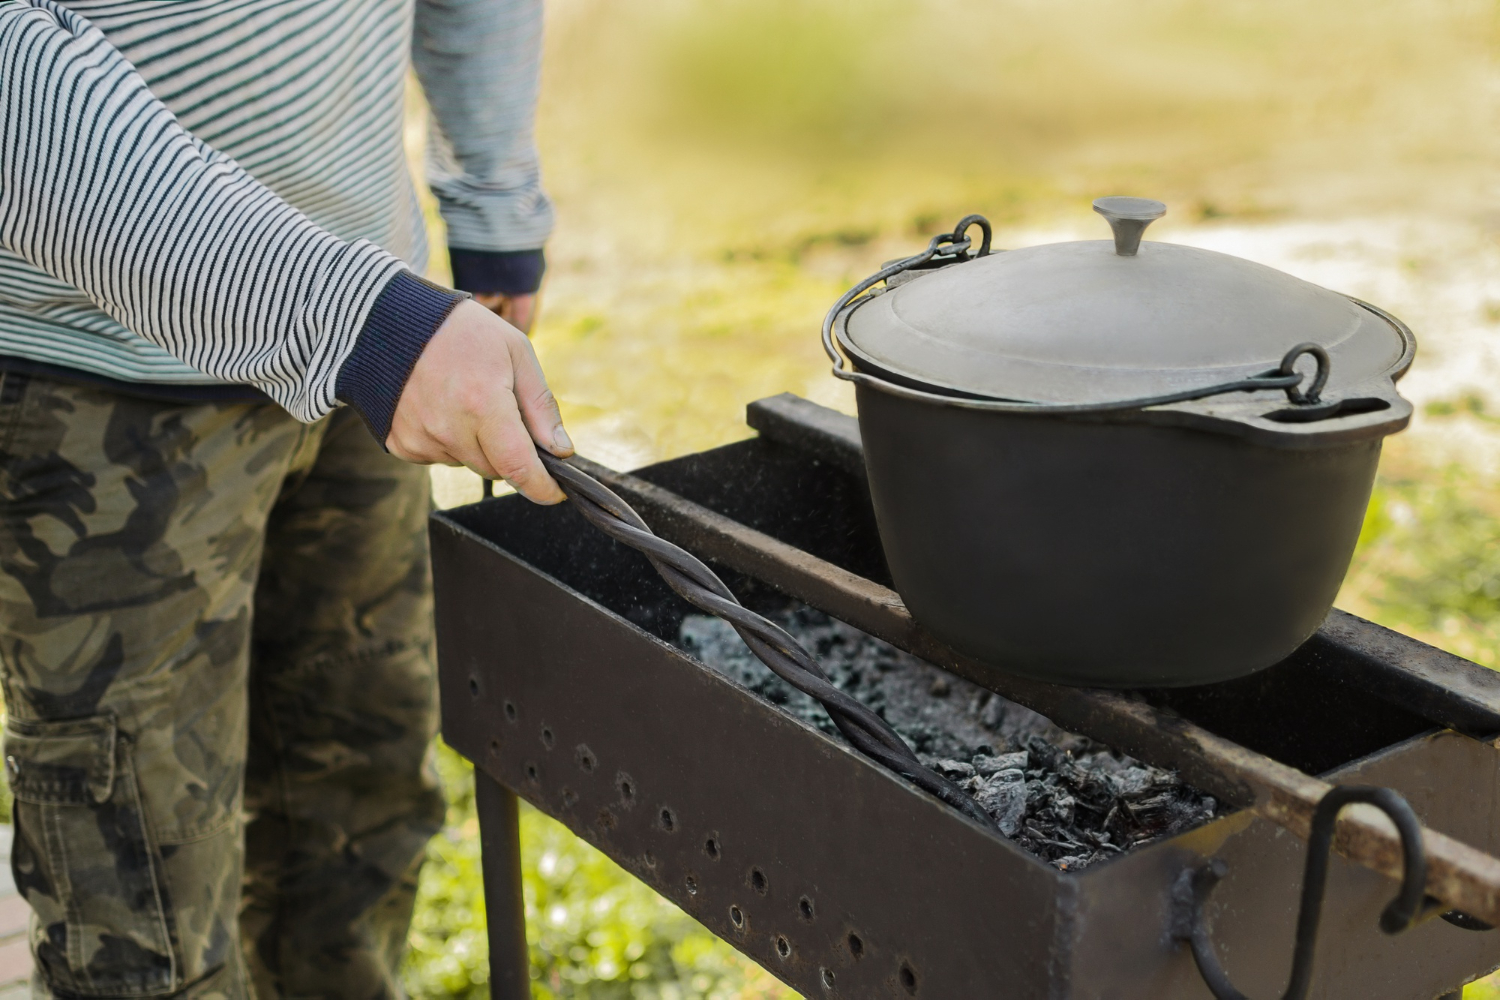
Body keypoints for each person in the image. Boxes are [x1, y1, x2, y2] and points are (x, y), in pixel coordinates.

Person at [0, 0, 569, 995]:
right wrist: (357, 318)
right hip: (98, 379)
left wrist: (492, 193)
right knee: (141, 907)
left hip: (366, 333)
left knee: (357, 813)